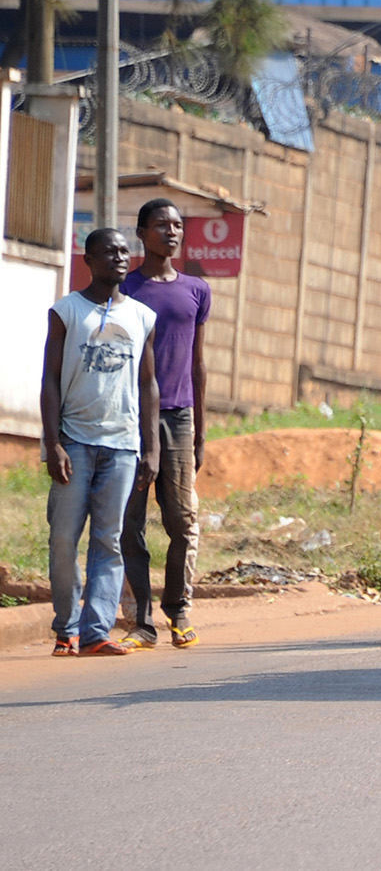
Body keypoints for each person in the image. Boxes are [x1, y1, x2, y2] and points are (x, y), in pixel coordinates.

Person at [42, 229, 159, 657]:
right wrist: (52, 443)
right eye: (109, 251)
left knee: (109, 540)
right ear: (88, 259)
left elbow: (149, 385)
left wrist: (152, 448)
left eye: (125, 250)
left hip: (123, 446)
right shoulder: (67, 311)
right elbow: (50, 380)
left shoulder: (143, 317)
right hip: (74, 441)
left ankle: (95, 633)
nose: (120, 257)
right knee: (63, 538)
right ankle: (66, 626)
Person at [117, 199, 210, 650]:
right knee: (129, 520)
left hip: (178, 415)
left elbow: (198, 362)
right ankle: (140, 621)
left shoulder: (196, 290)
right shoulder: (125, 289)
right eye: (160, 225)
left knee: (181, 519)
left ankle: (179, 609)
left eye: (177, 225)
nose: (171, 232)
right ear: (141, 233)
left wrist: (201, 430)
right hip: (129, 417)